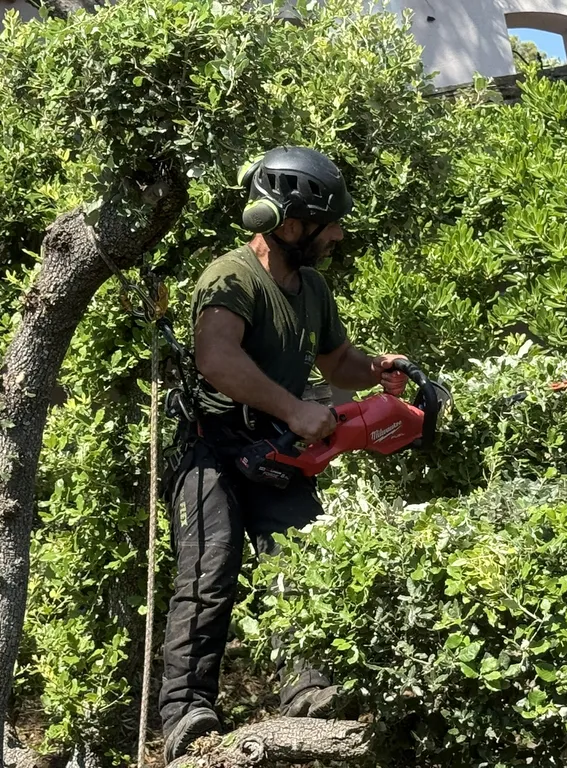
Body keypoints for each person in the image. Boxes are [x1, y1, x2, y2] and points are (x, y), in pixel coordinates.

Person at [157, 145, 408, 764]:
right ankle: (185, 710)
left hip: (280, 453)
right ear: (291, 223)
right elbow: (217, 359)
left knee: (298, 561)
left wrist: (376, 368)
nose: (338, 236)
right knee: (208, 569)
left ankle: (307, 689)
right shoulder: (231, 277)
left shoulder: (313, 288)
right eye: (329, 225)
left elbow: (336, 361)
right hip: (210, 451)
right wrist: (296, 409)